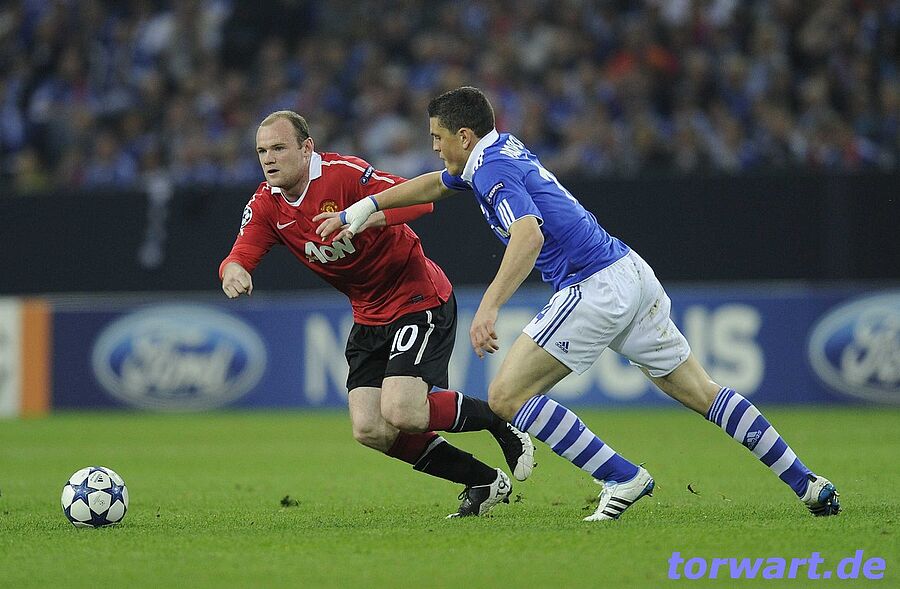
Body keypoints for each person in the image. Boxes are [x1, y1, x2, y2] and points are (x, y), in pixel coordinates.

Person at [317, 87, 840, 520]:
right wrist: (365, 206)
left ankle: (622, 477)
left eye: (437, 137)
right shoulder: (497, 152)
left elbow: (528, 236)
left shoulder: (492, 170)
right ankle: (808, 483)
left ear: (464, 136)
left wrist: (490, 306)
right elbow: (436, 184)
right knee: (702, 392)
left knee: (506, 396)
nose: (433, 147)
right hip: (630, 271)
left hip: (592, 285)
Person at [220, 110, 534, 518]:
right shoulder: (266, 204)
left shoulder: (343, 174)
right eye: (262, 151)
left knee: (403, 410)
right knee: (370, 428)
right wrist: (234, 271)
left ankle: (499, 419)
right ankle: (483, 480)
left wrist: (368, 217)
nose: (269, 158)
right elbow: (240, 254)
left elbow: (420, 201)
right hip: (368, 316)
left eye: (279, 148)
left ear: (306, 148)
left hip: (417, 297)